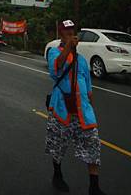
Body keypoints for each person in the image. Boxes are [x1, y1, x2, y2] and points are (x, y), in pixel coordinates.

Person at [46, 19, 106, 195]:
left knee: (93, 144)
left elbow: (88, 89)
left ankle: (94, 187)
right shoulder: (54, 52)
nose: (70, 33)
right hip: (62, 110)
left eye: (72, 30)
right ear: (60, 34)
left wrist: (91, 110)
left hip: (83, 113)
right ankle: (57, 175)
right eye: (67, 30)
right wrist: (67, 48)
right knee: (57, 146)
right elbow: (55, 70)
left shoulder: (81, 60)